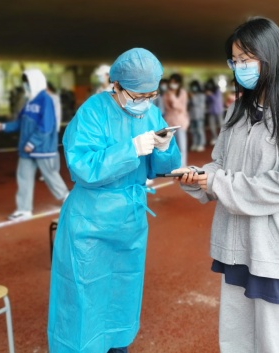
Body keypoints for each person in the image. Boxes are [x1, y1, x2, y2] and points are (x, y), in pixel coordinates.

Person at [175, 18, 279, 353]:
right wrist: (199, 177)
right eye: (234, 61)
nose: (239, 67)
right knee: (236, 337)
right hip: (238, 241)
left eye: (246, 59)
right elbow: (220, 163)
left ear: (270, 56)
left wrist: (219, 182)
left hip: (277, 245)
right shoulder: (239, 108)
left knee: (277, 342)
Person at [48, 48, 181, 353]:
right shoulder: (93, 112)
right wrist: (130, 149)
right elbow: (82, 166)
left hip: (130, 219)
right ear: (116, 85)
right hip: (90, 221)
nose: (145, 102)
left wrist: (165, 147)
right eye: (138, 95)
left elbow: (162, 167)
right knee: (84, 296)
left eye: (151, 95)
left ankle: (118, 346)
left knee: (123, 290)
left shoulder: (151, 112)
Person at [0, 69, 69, 220]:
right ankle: (24, 209)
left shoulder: (45, 100)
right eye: (25, 82)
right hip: (26, 149)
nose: (25, 85)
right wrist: (3, 126)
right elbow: (20, 123)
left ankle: (67, 197)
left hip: (42, 149)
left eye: (27, 82)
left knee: (50, 176)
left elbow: (47, 126)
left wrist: (33, 143)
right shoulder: (28, 102)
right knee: (23, 177)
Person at [164, 73, 189, 166]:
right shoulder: (167, 94)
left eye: (175, 82)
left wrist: (173, 97)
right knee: (170, 146)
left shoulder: (182, 93)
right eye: (171, 82)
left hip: (181, 122)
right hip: (170, 122)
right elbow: (167, 108)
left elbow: (181, 108)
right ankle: (173, 165)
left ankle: (182, 166)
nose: (173, 84)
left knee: (182, 146)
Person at [188, 79, 206, 152]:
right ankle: (195, 143)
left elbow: (197, 104)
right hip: (192, 115)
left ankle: (201, 144)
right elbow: (188, 104)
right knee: (193, 130)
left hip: (199, 116)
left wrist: (192, 97)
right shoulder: (191, 95)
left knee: (199, 130)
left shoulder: (201, 95)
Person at [205, 78, 224, 145]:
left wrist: (210, 94)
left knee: (221, 124)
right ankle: (214, 138)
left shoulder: (217, 90)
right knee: (211, 126)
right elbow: (207, 101)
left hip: (218, 110)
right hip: (211, 111)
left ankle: (223, 138)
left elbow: (216, 100)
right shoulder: (207, 91)